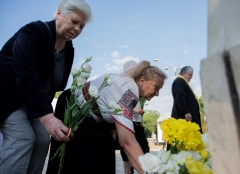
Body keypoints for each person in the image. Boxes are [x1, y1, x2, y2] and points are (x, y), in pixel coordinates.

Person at [0, 0, 92, 173]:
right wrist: (48, 118)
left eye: (82, 26)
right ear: (58, 14)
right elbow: (25, 74)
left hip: (35, 104)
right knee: (23, 137)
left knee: (43, 139)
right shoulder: (35, 31)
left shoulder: (69, 50)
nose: (77, 29)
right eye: (74, 21)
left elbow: (57, 85)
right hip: (9, 98)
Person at [47, 60, 167, 174]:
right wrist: (149, 171)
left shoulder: (129, 87)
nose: (157, 93)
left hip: (88, 114)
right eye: (156, 87)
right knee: (97, 143)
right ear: (142, 80)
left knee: (108, 146)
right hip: (71, 105)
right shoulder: (128, 90)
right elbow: (127, 141)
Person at [120, 60, 150, 174]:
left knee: (144, 147)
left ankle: (145, 170)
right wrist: (134, 109)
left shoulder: (135, 87)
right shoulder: (123, 86)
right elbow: (118, 104)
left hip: (137, 123)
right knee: (127, 150)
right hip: (127, 122)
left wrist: (140, 110)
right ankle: (128, 172)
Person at [171, 66, 206, 133]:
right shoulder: (179, 81)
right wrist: (186, 112)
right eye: (190, 74)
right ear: (184, 73)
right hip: (184, 118)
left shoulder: (183, 82)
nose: (191, 77)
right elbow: (180, 97)